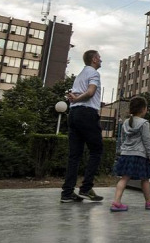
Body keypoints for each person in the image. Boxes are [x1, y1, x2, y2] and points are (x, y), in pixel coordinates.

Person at [60, 50, 105, 203]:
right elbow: (91, 92)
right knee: (96, 150)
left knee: (74, 155)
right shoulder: (94, 73)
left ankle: (67, 193)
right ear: (93, 59)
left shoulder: (80, 75)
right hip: (87, 114)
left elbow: (73, 96)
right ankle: (86, 188)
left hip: (73, 114)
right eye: (99, 57)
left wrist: (75, 98)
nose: (101, 60)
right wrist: (79, 97)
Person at [110, 96, 150, 211]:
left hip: (125, 154)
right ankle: (149, 202)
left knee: (123, 178)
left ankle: (116, 202)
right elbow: (147, 141)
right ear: (143, 109)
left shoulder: (126, 122)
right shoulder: (144, 123)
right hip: (140, 155)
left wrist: (123, 150)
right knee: (145, 178)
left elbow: (122, 139)